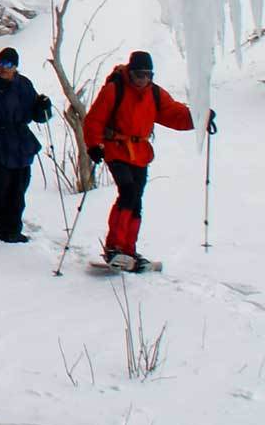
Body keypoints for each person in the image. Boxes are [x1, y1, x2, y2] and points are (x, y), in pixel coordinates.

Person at [83, 50, 198, 270]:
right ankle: (114, 247)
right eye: (139, 74)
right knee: (127, 191)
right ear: (130, 72)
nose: (143, 80)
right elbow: (94, 120)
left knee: (136, 198)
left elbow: (174, 113)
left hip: (140, 152)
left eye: (148, 75)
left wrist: (200, 117)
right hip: (116, 149)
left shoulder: (154, 94)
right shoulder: (114, 90)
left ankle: (128, 250)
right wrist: (93, 146)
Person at [0, 47, 54, 242]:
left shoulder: (25, 85)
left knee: (20, 183)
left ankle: (10, 228)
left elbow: (38, 116)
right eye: (0, 64)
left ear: (15, 67)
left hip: (21, 140)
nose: (2, 68)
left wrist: (44, 107)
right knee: (2, 181)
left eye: (7, 65)